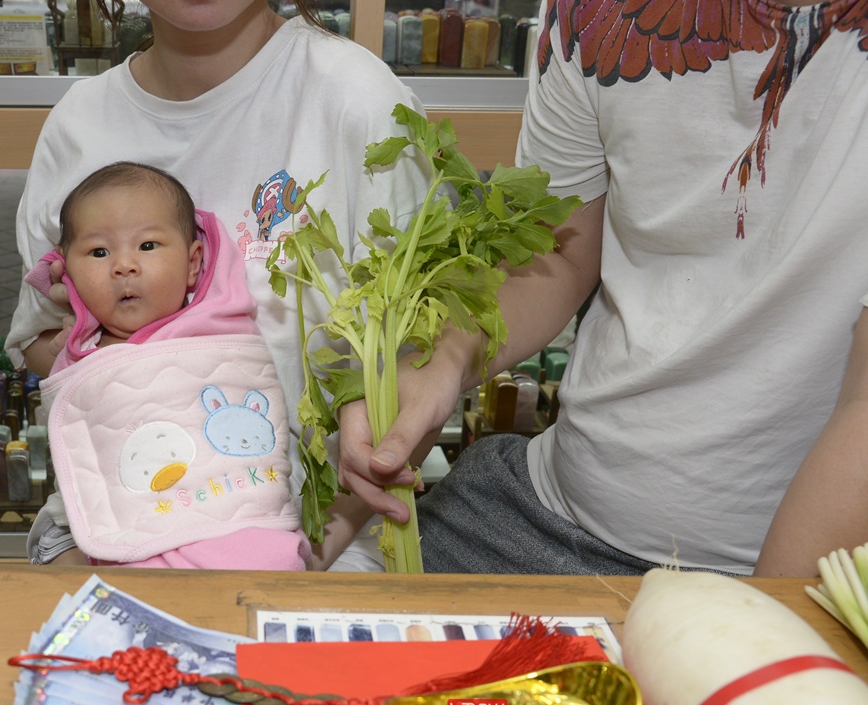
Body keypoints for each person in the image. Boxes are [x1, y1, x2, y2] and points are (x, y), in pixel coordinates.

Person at [338, 0, 868, 577]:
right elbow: (560, 254)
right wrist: (444, 359)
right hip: (552, 503)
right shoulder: (592, 12)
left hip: (791, 562)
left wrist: (765, 626)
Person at [4, 0, 431, 569]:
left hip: (324, 535)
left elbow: (427, 350)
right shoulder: (79, 121)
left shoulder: (358, 99)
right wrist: (89, 352)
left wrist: (314, 541)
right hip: (105, 531)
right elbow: (36, 342)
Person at [25, 161, 310, 570]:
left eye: (147, 246)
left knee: (267, 560)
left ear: (194, 263)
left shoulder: (219, 316)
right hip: (109, 529)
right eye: (98, 252)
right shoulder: (78, 346)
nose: (124, 266)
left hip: (236, 517)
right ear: (66, 270)